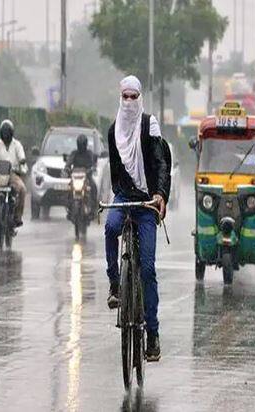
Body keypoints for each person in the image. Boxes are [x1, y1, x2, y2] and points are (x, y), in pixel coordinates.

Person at [105, 75, 170, 362]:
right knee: (109, 227)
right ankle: (115, 284)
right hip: (124, 197)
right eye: (125, 97)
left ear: (140, 97)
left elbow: (159, 162)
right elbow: (115, 173)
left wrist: (160, 194)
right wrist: (116, 196)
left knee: (147, 268)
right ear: (120, 98)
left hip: (147, 202)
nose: (129, 102)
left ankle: (152, 334)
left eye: (134, 97)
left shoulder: (150, 125)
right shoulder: (112, 131)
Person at [0, 119, 27, 229]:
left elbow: (22, 157)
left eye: (8, 133)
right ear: (1, 133)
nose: (6, 136)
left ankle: (17, 217)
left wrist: (21, 163)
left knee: (22, 189)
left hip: (13, 176)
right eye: (4, 133)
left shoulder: (17, 145)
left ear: (12, 133)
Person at [64, 134, 98, 217]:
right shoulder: (74, 153)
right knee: (68, 189)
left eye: (83, 144)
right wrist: (67, 168)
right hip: (75, 177)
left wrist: (93, 168)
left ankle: (93, 209)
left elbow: (93, 163)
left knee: (93, 187)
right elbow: (69, 162)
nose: (81, 146)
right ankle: (68, 207)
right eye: (80, 144)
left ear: (85, 144)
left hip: (87, 177)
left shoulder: (89, 153)